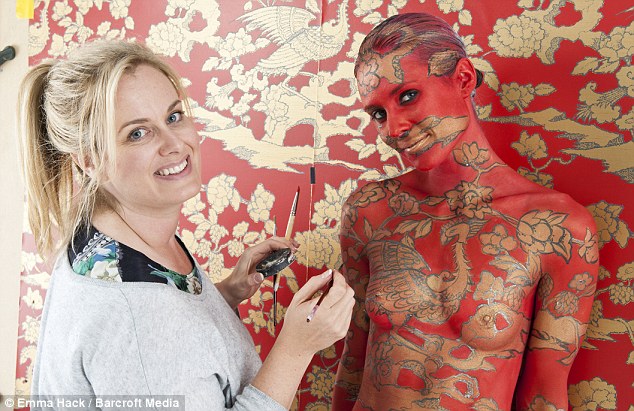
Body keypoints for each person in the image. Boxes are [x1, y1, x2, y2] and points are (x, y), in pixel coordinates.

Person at [18, 39, 355, 410]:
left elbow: (178, 343)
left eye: (174, 116)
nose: (174, 144)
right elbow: (154, 337)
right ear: (90, 161)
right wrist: (296, 348)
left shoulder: (120, 236)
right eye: (137, 133)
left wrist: (226, 294)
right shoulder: (139, 320)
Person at [332, 12, 599, 411]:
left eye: (407, 96)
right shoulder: (370, 211)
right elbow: (353, 361)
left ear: (463, 79)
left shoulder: (558, 228)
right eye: (378, 114)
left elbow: (544, 395)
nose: (393, 129)